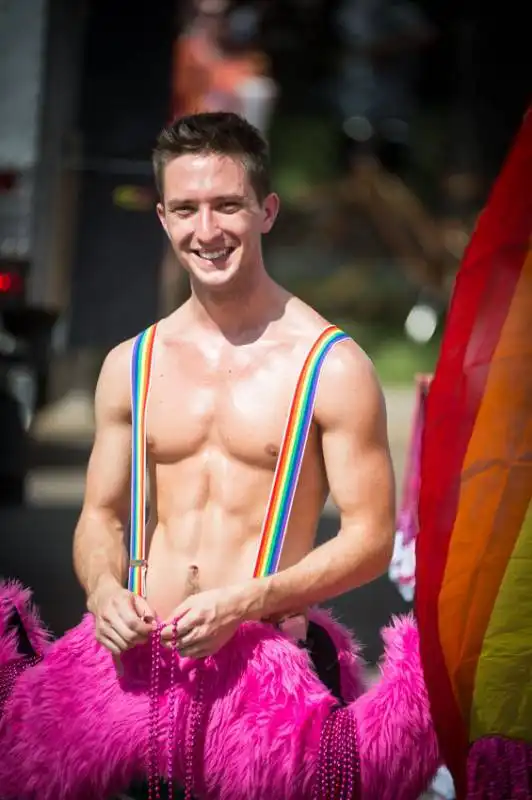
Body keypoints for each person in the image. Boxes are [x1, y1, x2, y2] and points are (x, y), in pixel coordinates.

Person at [0, 112, 439, 800]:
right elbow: (100, 516)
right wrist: (105, 590)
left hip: (264, 693)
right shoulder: (131, 364)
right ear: (163, 217)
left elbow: (371, 539)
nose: (207, 231)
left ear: (266, 211)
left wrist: (248, 600)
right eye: (186, 209)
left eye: (227, 205)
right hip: (134, 680)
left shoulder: (331, 366)